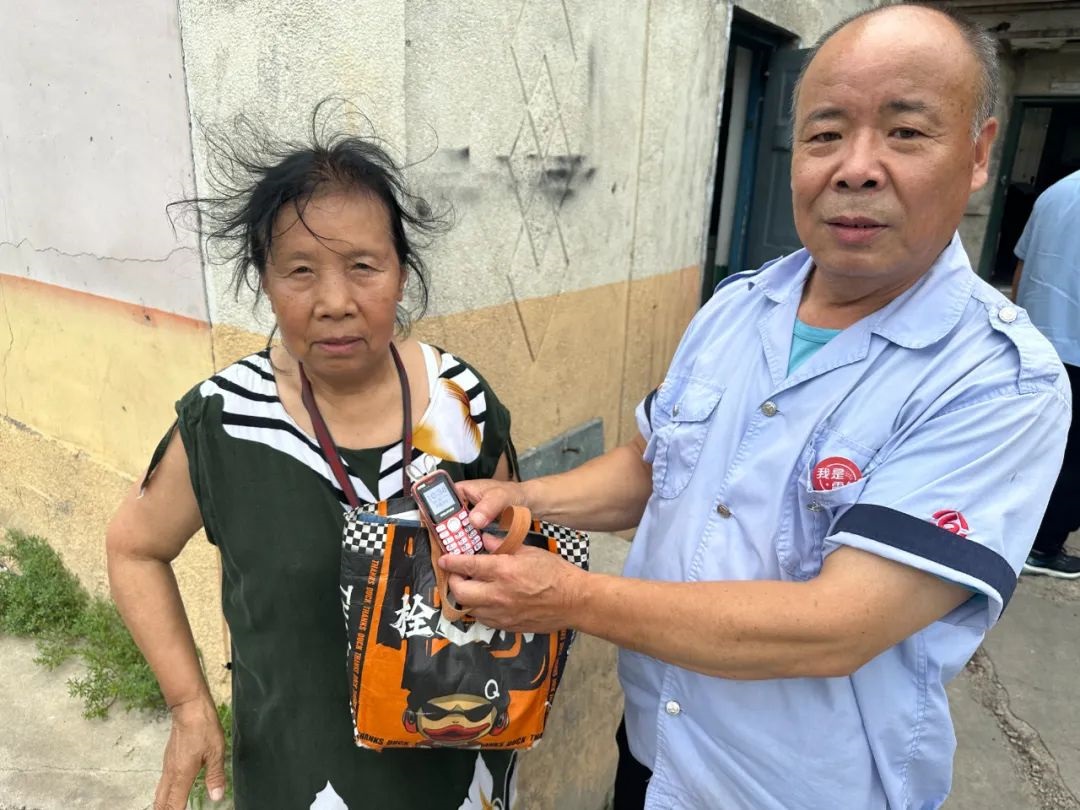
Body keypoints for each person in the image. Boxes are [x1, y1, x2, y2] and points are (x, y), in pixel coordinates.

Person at [438, 4, 1071, 809]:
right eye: (825, 133)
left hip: (798, 789)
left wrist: (568, 596)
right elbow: (653, 465)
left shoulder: (997, 380)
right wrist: (522, 498)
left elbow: (838, 624)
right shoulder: (739, 308)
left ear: (979, 154)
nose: (856, 168)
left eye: (905, 132)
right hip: (655, 752)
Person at [106, 118, 519, 809]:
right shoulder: (225, 420)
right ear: (264, 281)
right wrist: (188, 704)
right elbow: (133, 549)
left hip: (458, 766)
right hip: (297, 775)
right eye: (299, 271)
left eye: (363, 266)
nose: (334, 303)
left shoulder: (461, 401)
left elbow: (513, 556)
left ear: (401, 273)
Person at [1011, 169, 1080, 578]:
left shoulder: (1057, 192)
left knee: (1030, 443)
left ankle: (1013, 531)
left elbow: (1023, 267)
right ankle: (1043, 547)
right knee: (1073, 457)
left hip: (1036, 339)